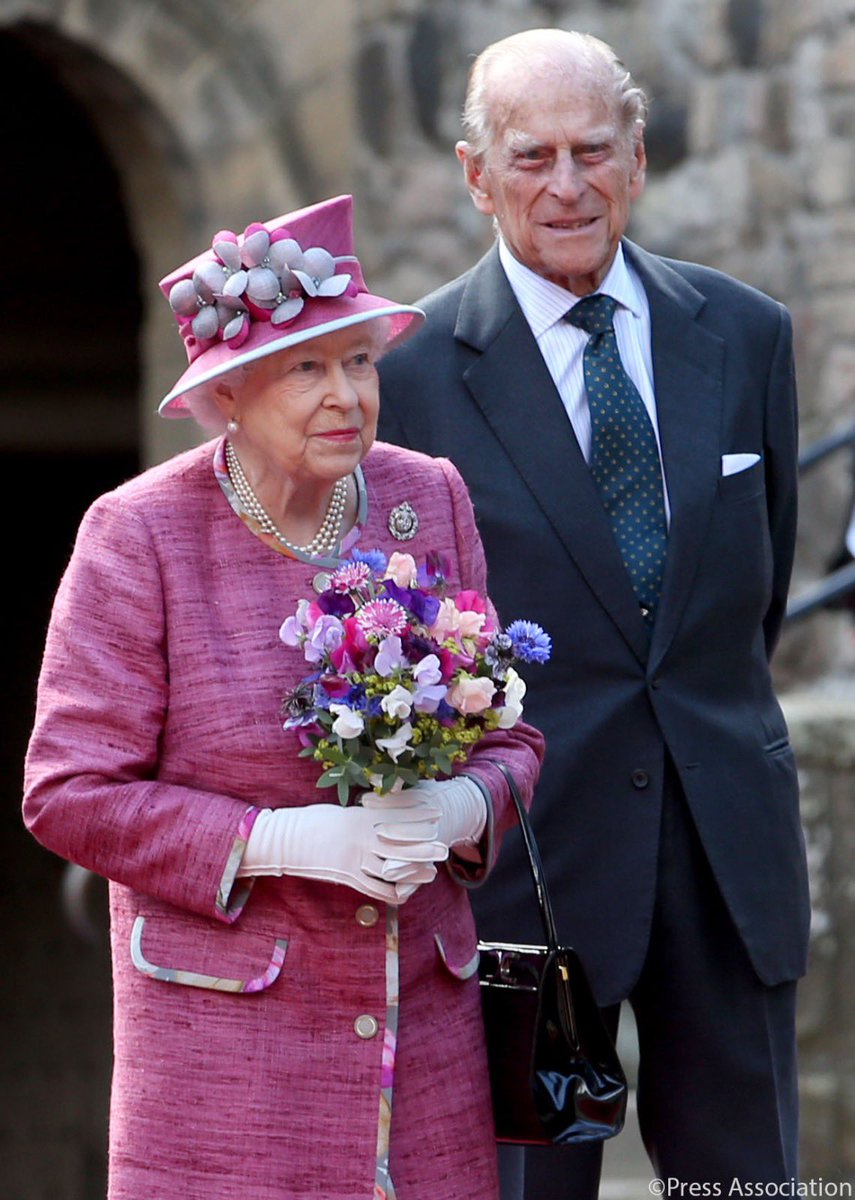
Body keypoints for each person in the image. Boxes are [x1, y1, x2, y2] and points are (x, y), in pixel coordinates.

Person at [23, 194, 544, 1200]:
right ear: (229, 395)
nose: (346, 394)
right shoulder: (139, 535)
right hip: (229, 1070)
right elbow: (69, 792)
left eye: (358, 361)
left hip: (421, 1048)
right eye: (307, 368)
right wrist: (280, 840)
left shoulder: (423, 495)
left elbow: (508, 731)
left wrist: (461, 807)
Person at [378, 28, 809, 1198]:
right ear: (477, 175)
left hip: (727, 860)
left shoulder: (748, 333)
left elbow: (749, 600)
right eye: (532, 156)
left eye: (592, 151)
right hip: (525, 877)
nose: (566, 185)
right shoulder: (408, 380)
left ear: (638, 160)